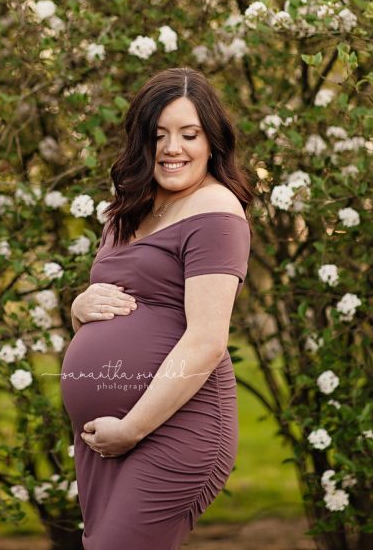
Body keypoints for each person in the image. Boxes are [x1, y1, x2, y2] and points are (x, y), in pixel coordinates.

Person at [60, 67, 253, 549]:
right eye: (159, 134)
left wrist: (130, 429)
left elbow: (207, 341)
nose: (173, 148)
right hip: (105, 436)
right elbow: (116, 303)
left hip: (173, 428)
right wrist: (79, 308)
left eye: (189, 134)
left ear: (212, 142)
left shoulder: (216, 212)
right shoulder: (128, 209)